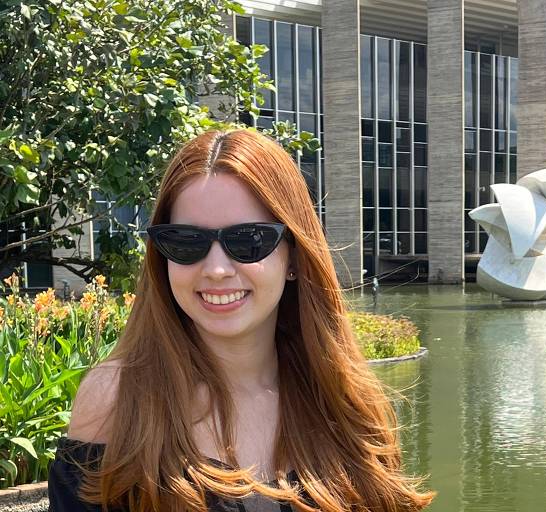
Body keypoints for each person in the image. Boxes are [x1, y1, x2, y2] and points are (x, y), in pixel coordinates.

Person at [48, 129, 435, 511]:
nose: (216, 269)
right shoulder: (119, 400)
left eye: (249, 240)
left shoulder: (344, 398)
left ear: (295, 257)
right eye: (186, 242)